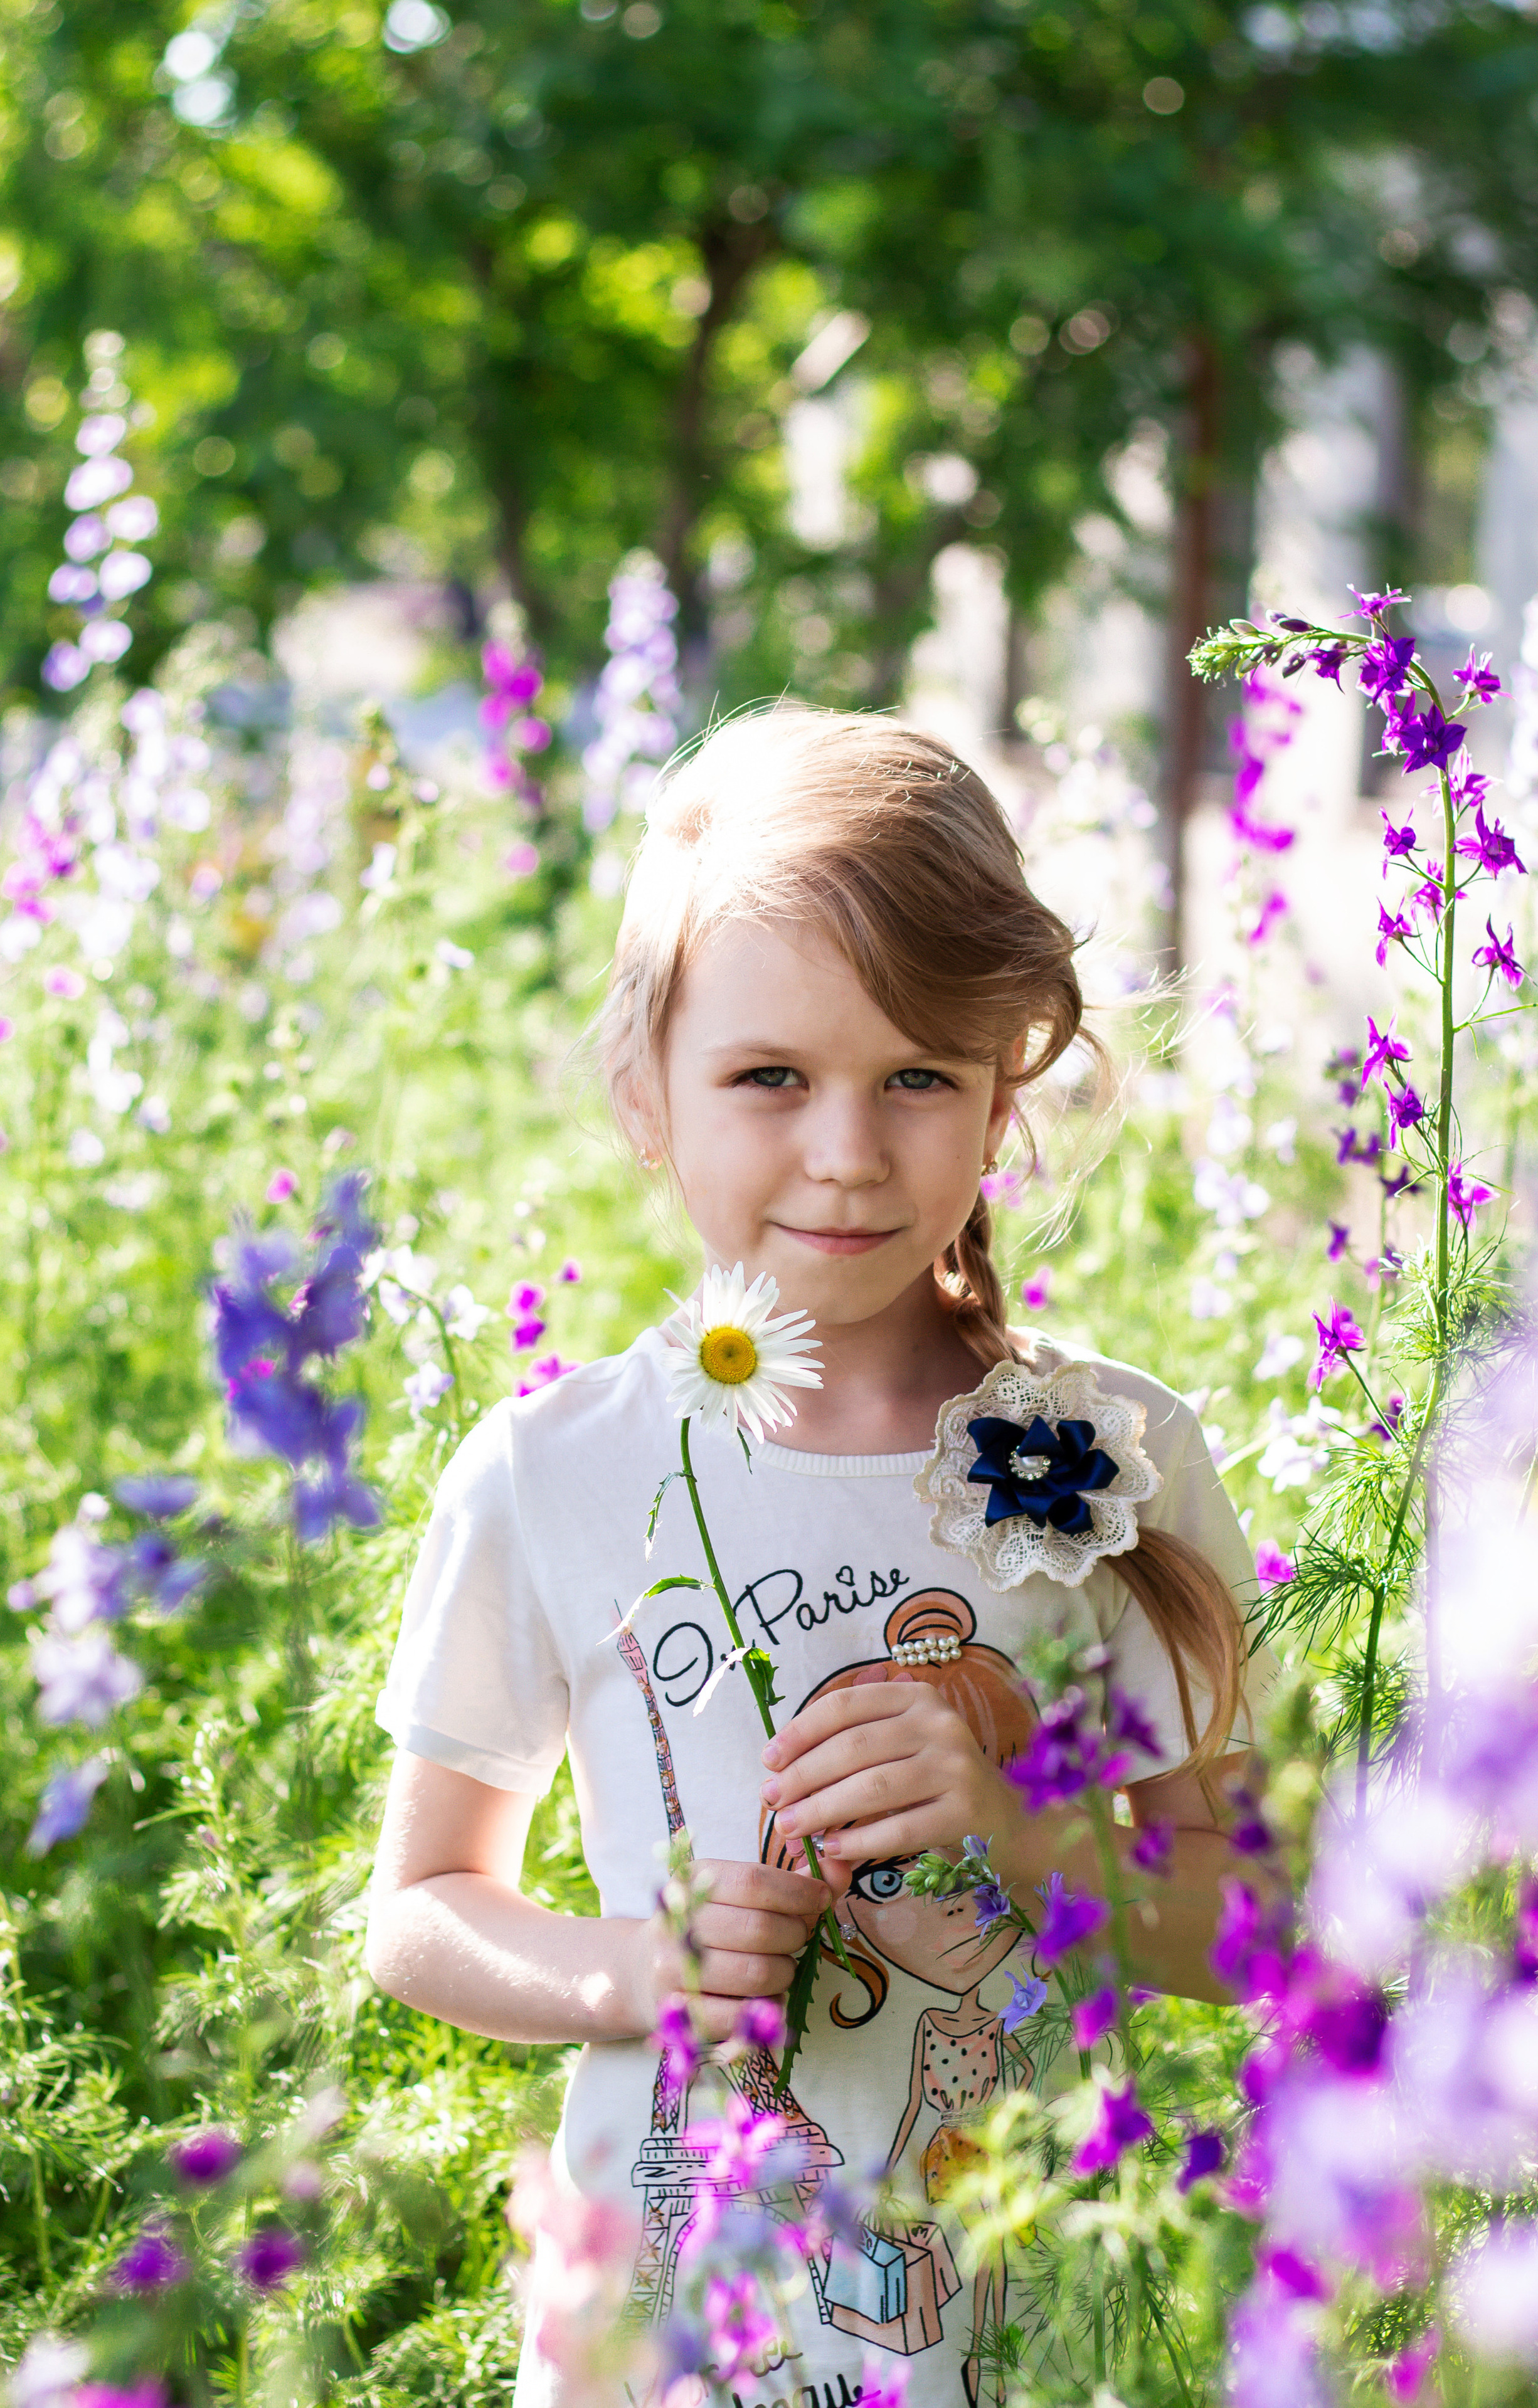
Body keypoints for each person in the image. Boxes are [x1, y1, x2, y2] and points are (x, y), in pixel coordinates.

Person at [364, 709, 1273, 2408]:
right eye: (770, 1076)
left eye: (919, 1074)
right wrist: (640, 1970)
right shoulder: (557, 1470)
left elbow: (1254, 1922)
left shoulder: (1107, 1451)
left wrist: (1021, 1830)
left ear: (1002, 1098)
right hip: (670, 2333)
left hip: (1028, 2335)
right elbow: (418, 1912)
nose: (849, 1152)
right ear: (647, 1090)